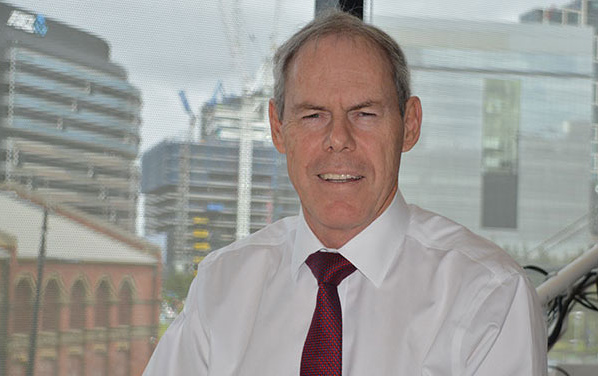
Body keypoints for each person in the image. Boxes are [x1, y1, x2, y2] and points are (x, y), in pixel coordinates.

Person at [144, 11, 546, 376]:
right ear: (279, 128)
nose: (338, 139)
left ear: (409, 125)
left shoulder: (488, 295)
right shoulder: (221, 284)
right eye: (313, 115)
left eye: (365, 114)